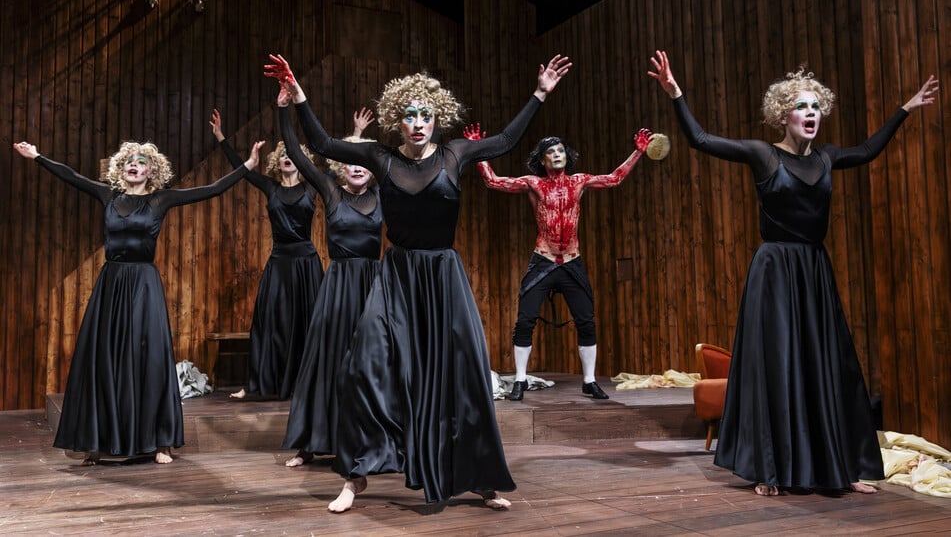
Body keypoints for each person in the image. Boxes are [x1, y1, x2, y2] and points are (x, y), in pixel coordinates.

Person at [264, 52, 571, 512]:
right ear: (396, 121)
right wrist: (298, 96)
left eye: (426, 114)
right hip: (397, 276)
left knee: (461, 374)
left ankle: (479, 477)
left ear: (437, 117)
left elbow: (506, 140)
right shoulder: (379, 157)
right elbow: (324, 143)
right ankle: (356, 475)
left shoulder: (455, 154)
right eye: (409, 115)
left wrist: (540, 92)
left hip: (443, 277)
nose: (418, 122)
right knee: (364, 365)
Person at [647, 49, 939, 496]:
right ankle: (771, 470)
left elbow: (866, 150)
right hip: (775, 270)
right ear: (783, 114)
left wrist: (904, 109)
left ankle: (840, 470)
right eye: (802, 106)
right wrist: (676, 95)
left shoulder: (825, 159)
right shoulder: (763, 155)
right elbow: (701, 140)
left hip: (814, 270)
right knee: (777, 367)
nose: (811, 113)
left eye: (816, 106)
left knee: (828, 363)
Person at [13, 138, 263, 465]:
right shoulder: (109, 195)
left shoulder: (161, 200)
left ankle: (161, 441)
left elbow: (212, 189)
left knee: (151, 360)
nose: (135, 164)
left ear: (152, 170)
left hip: (144, 285)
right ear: (121, 168)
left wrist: (248, 166)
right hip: (112, 284)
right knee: (105, 360)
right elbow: (71, 176)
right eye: (129, 160)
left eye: (142, 161)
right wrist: (37, 156)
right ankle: (98, 440)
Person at [462, 126, 654, 400]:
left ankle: (589, 381)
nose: (557, 155)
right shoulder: (534, 183)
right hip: (543, 260)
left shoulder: (578, 181)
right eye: (551, 152)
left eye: (560, 150)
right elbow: (493, 181)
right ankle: (519, 381)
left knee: (586, 321)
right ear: (542, 160)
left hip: (572, 262)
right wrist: (478, 151)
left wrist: (638, 152)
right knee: (525, 321)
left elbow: (614, 178)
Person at [280, 108, 384, 466]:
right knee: (327, 360)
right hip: (338, 286)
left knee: (373, 363)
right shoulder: (330, 190)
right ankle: (310, 442)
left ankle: (375, 440)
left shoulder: (383, 196)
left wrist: (359, 135)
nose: (357, 167)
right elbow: (295, 151)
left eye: (364, 163)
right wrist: (284, 108)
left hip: (374, 285)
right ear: (343, 166)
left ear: (373, 168)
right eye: (351, 162)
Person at [209, 111, 324, 401]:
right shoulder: (270, 187)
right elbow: (243, 170)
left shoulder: (312, 187)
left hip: (306, 265)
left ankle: (307, 384)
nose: (287, 156)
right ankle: (256, 383)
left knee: (309, 323)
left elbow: (337, 169)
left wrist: (357, 133)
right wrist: (222, 137)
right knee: (268, 324)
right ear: (277, 161)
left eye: (292, 153)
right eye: (282, 153)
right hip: (278, 263)